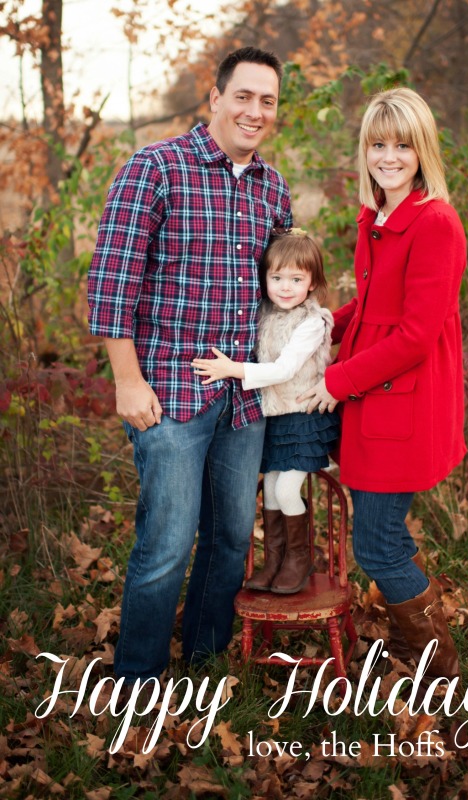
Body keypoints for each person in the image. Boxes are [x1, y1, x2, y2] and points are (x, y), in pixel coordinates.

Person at [87, 47, 292, 682]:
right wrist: (127, 381)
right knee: (166, 547)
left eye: (268, 101)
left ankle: (204, 661)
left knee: (231, 541)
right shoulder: (155, 169)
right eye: (244, 96)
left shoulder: (273, 188)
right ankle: (137, 683)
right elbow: (110, 284)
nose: (254, 111)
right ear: (216, 98)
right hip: (168, 396)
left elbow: (283, 295)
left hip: (241, 400)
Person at [299, 87, 467, 683]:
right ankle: (417, 632)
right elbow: (371, 308)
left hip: (403, 403)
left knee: (375, 543)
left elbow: (417, 334)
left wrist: (339, 379)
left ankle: (438, 663)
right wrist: (319, 326)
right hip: (375, 396)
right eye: (377, 143)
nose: (388, 156)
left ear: (422, 151)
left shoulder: (435, 223)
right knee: (383, 533)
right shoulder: (378, 217)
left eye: (402, 144)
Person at [192, 229, 339, 594]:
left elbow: (285, 369)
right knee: (271, 491)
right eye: (276, 278)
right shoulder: (265, 314)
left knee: (288, 489)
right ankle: (275, 561)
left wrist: (234, 369)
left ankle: (300, 559)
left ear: (312, 282)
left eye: (296, 279)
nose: (285, 287)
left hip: (302, 418)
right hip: (275, 417)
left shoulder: (311, 322)